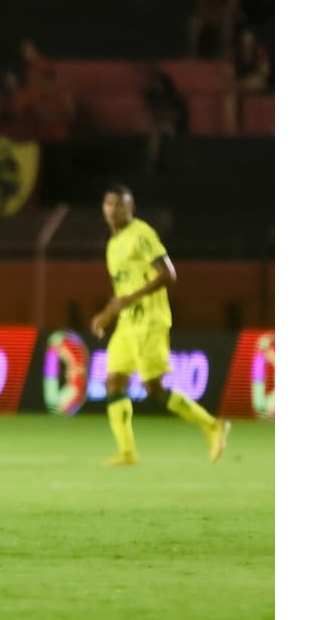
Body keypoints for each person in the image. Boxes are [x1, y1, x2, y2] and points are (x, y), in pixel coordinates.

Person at [90, 185, 231, 466]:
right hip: (128, 324)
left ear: (131, 208)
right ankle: (127, 451)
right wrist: (108, 313)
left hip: (150, 321)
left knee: (153, 387)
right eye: (108, 204)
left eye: (119, 204)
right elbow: (123, 289)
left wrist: (131, 298)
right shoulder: (113, 244)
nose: (113, 210)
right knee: (114, 381)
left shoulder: (141, 234)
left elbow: (168, 274)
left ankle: (213, 425)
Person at [223, 27, 270, 133]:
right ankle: (231, 130)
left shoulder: (260, 52)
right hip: (239, 86)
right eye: (245, 39)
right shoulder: (235, 54)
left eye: (249, 39)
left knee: (256, 81)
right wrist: (239, 83)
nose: (247, 42)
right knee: (229, 95)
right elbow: (230, 74)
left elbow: (264, 73)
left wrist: (243, 82)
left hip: (256, 83)